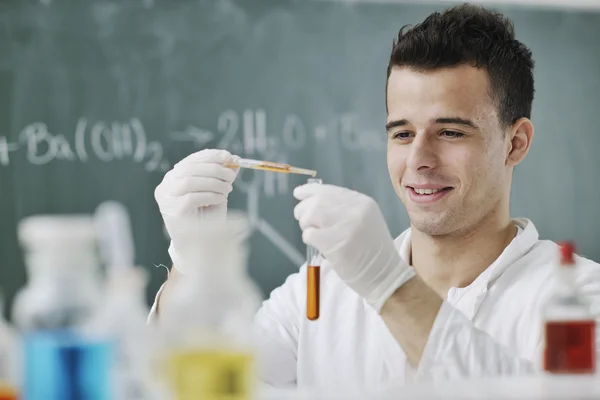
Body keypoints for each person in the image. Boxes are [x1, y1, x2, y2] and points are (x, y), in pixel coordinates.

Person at [150, 3, 600, 392]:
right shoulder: (321, 292)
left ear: (516, 142)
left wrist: (390, 288)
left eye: (449, 132)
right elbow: (194, 388)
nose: (419, 159)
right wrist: (193, 267)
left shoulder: (579, 300)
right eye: (402, 133)